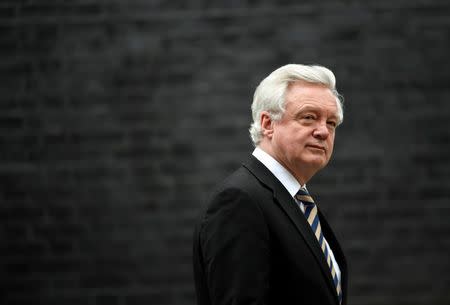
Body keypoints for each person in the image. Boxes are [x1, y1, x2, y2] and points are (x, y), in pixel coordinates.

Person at [193, 64, 348, 305]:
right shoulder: (239, 201)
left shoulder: (297, 201)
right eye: (309, 117)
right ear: (268, 124)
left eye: (331, 123)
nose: (323, 132)